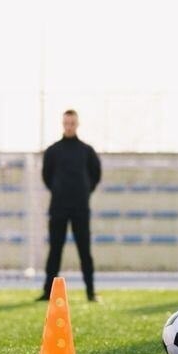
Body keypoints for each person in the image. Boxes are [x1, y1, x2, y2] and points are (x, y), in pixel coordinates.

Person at [37, 109, 102, 302]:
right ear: (62, 124)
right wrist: (59, 191)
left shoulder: (87, 151)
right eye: (66, 123)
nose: (69, 126)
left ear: (77, 124)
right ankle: (47, 291)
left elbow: (95, 175)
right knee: (55, 250)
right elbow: (46, 176)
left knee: (85, 250)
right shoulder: (53, 151)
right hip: (58, 207)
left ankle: (90, 292)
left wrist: (83, 192)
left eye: (72, 123)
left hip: (80, 208)